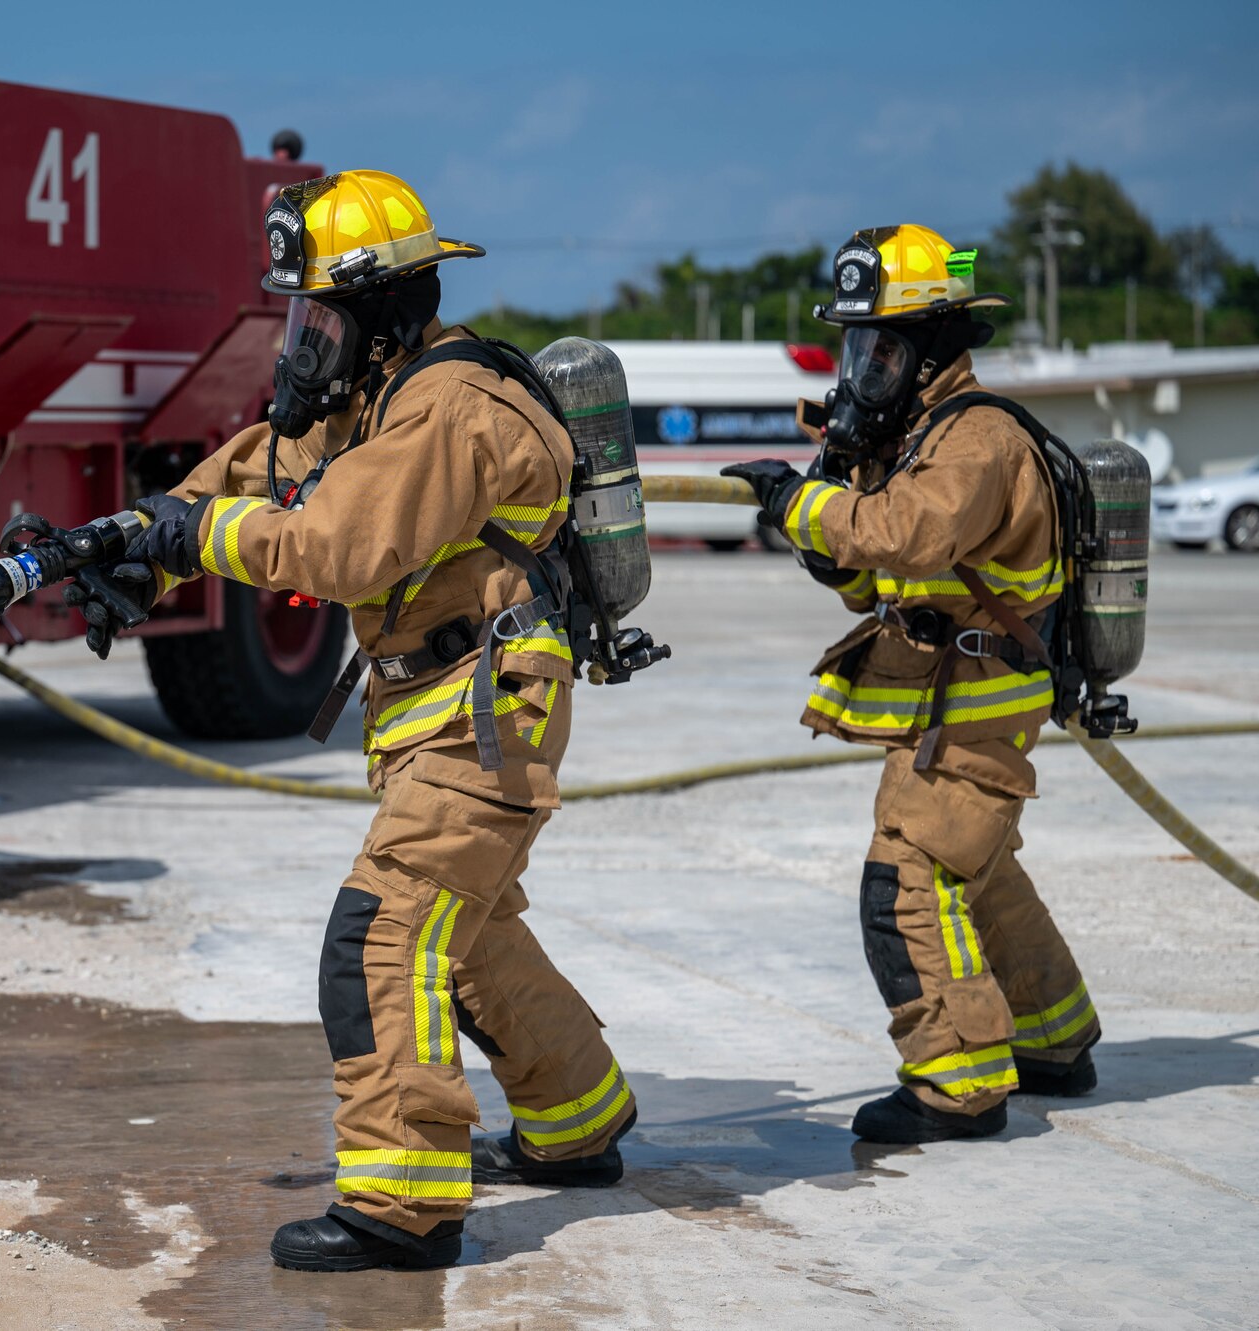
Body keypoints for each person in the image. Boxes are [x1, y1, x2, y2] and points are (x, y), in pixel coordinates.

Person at [69, 171, 637, 1272]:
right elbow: (251, 470)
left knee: (379, 937)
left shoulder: (449, 408)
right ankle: (577, 1121)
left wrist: (191, 543)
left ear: (386, 307)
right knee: (465, 941)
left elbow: (336, 546)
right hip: (436, 709)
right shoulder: (379, 400)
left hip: (487, 706)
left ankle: (403, 1204)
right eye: (298, 316)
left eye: (319, 316)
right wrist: (132, 546)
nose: (302, 342)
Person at [722, 225, 1100, 1145]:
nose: (864, 370)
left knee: (908, 880)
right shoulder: (923, 437)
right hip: (960, 698)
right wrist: (827, 534)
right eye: (858, 347)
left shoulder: (977, 439)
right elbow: (886, 578)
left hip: (975, 704)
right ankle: (1054, 1039)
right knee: (979, 869)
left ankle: (956, 1082)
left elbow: (910, 536)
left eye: (883, 349)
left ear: (936, 348)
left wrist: (796, 503)